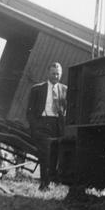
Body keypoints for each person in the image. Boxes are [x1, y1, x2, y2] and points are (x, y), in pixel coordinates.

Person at [26, 62, 67, 190]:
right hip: (42, 124)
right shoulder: (37, 89)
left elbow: (67, 109)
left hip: (57, 125)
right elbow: (30, 111)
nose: (55, 76)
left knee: (54, 153)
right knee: (46, 153)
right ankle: (44, 184)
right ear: (48, 73)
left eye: (58, 74)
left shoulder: (65, 90)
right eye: (53, 73)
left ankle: (50, 181)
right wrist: (35, 126)